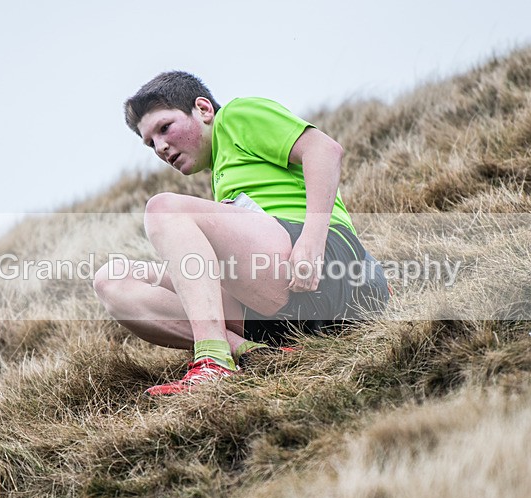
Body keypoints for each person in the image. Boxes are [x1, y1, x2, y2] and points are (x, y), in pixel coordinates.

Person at [94, 71, 388, 396]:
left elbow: (324, 150)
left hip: (332, 270)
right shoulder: (222, 171)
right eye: (150, 143)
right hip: (283, 311)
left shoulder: (236, 117)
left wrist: (312, 242)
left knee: (164, 208)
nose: (161, 147)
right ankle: (250, 351)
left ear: (204, 110)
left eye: (165, 128)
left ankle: (213, 359)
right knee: (112, 280)